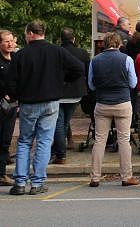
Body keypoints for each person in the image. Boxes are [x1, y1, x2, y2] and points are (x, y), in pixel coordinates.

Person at [5, 20, 84, 195]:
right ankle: (37, 182)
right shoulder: (57, 51)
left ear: (31, 34)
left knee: (25, 141)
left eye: (26, 34)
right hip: (51, 101)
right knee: (44, 141)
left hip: (28, 102)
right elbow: (79, 68)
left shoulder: (21, 55)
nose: (25, 38)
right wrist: (61, 82)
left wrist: (17, 95)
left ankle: (19, 182)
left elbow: (10, 82)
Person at [87, 32, 139, 188]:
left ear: (103, 44)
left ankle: (95, 177)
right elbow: (133, 83)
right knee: (124, 140)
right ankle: (126, 176)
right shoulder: (127, 59)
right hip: (122, 102)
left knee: (99, 141)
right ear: (119, 44)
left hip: (102, 103)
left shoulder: (94, 60)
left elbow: (91, 84)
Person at [52, 27, 90, 165]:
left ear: (61, 39)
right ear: (73, 39)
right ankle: (59, 150)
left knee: (59, 123)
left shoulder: (55, 52)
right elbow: (86, 71)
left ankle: (60, 153)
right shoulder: (82, 53)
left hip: (58, 92)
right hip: (75, 93)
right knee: (64, 122)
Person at [0, 30, 17, 186]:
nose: (10, 44)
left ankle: (2, 173)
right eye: (6, 41)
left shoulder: (16, 59)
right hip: (1, 106)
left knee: (6, 141)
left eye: (11, 41)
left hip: (12, 107)